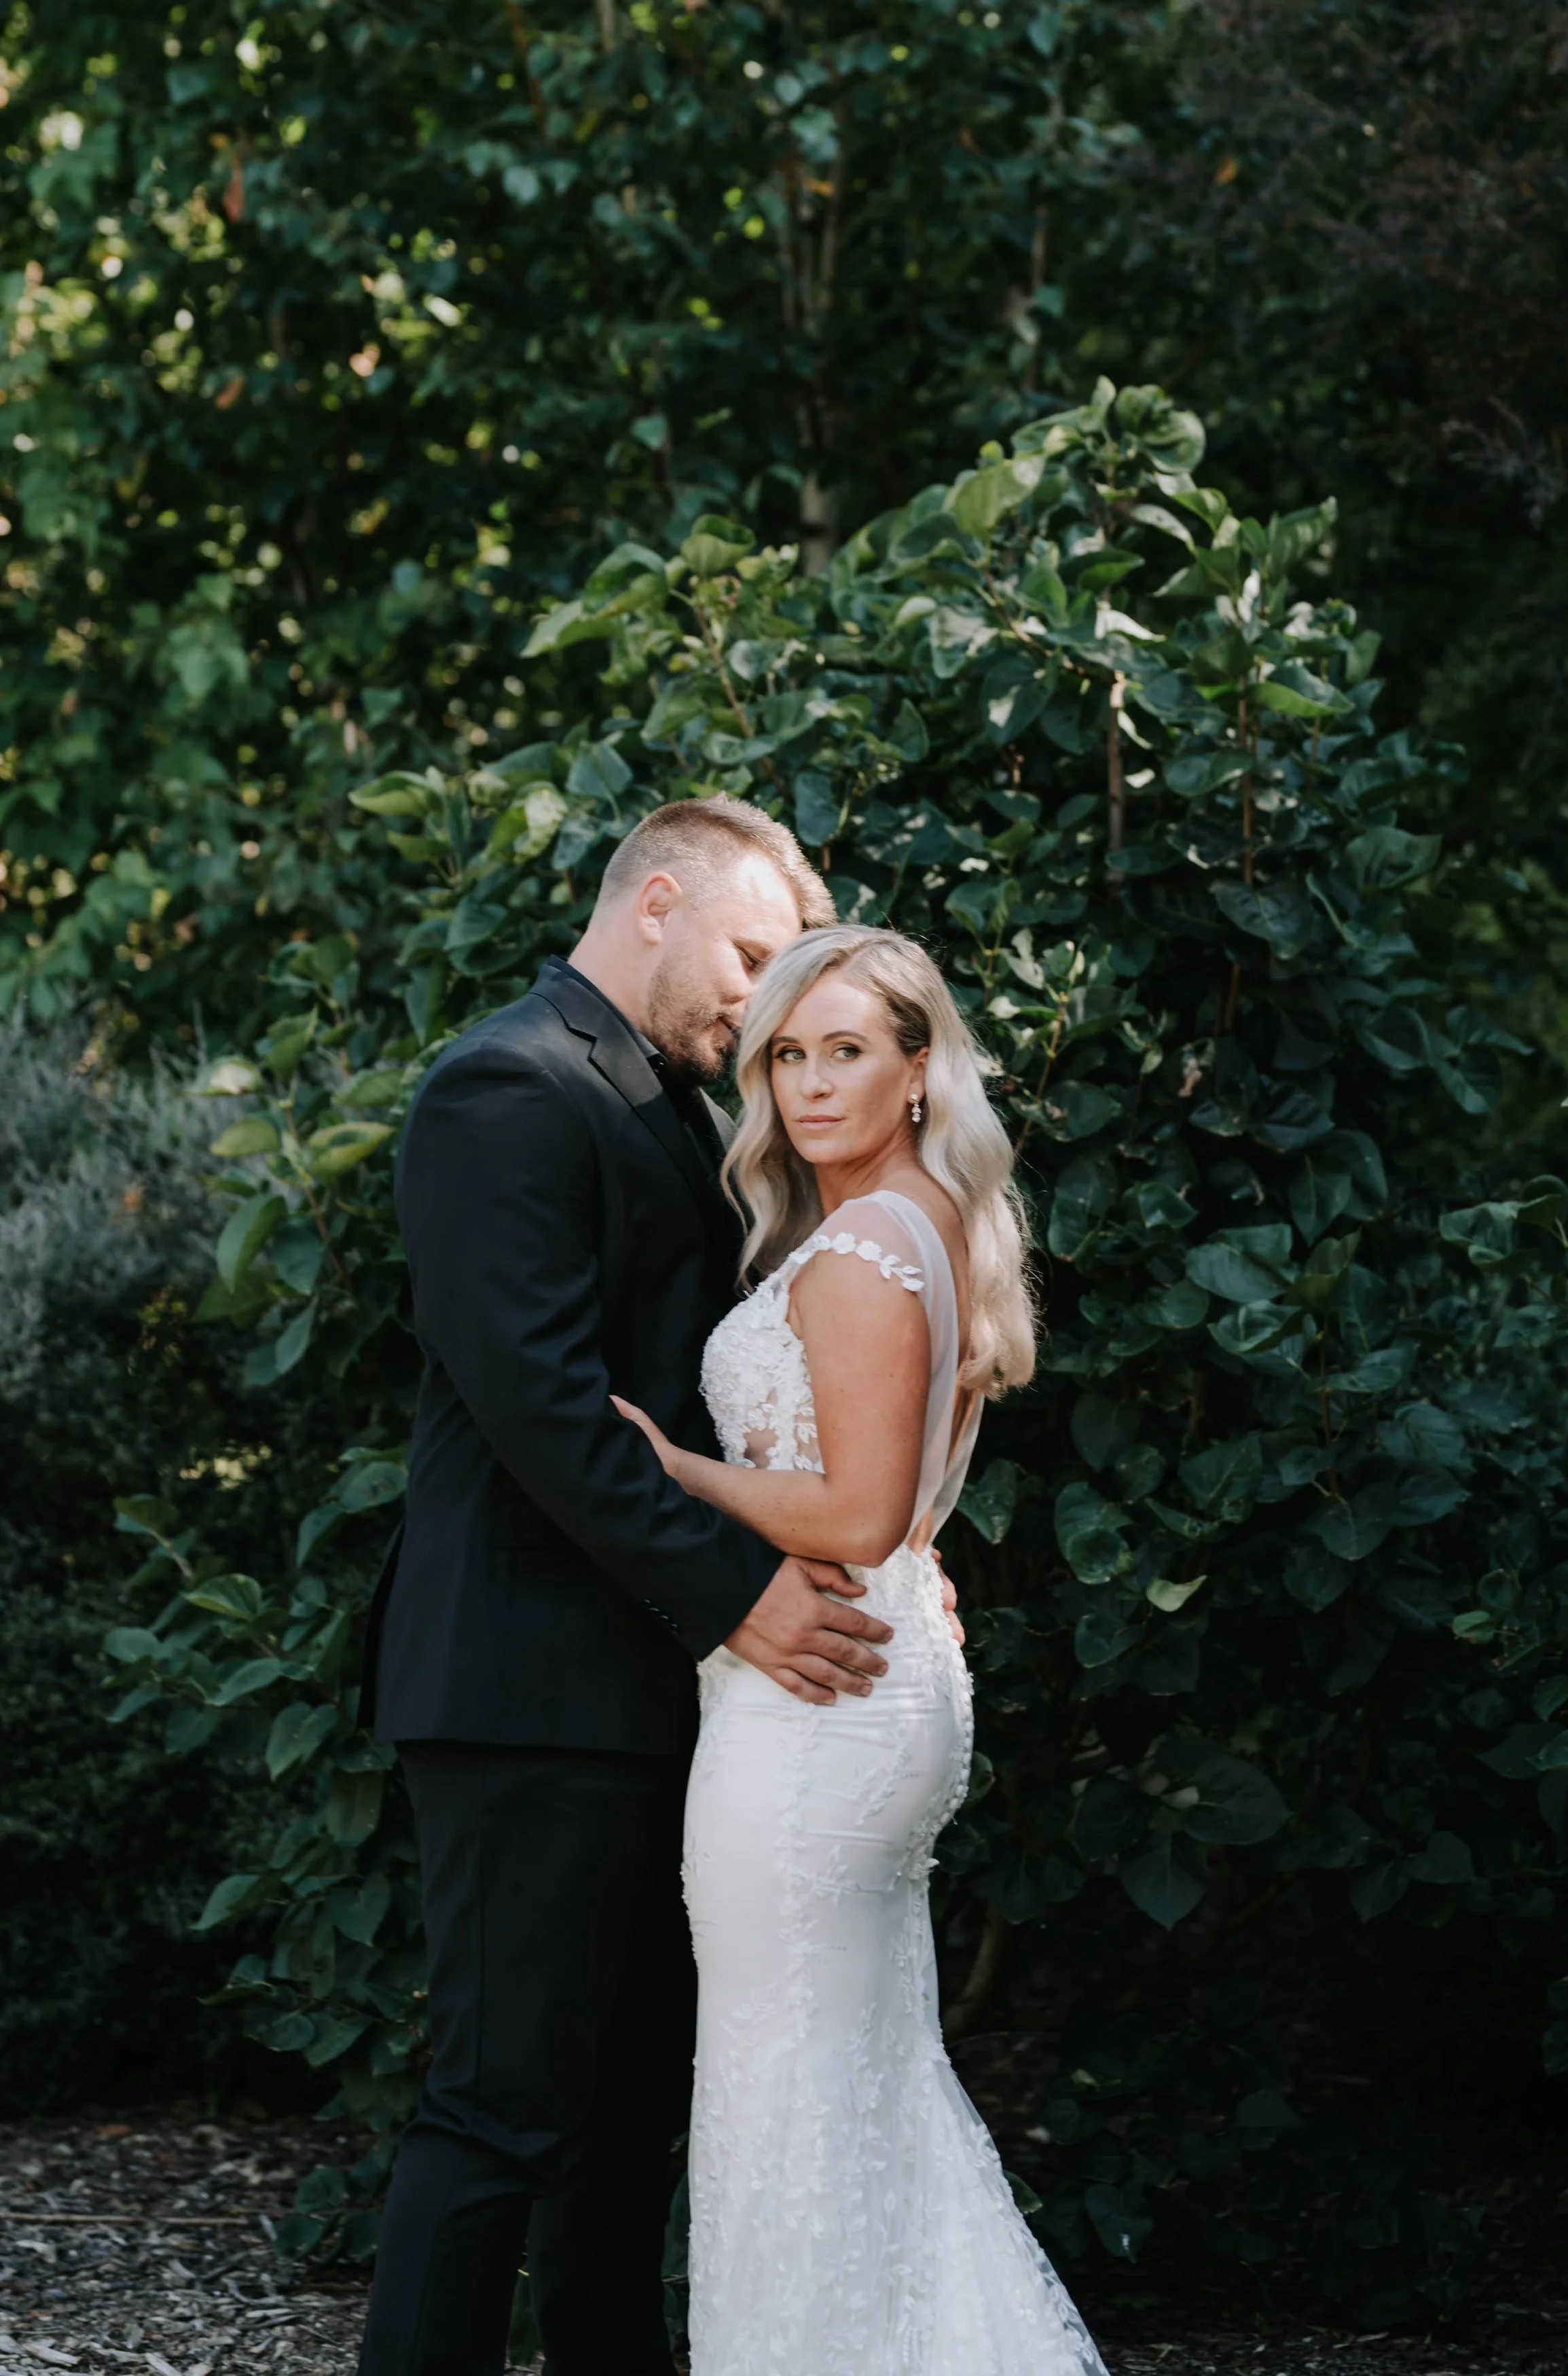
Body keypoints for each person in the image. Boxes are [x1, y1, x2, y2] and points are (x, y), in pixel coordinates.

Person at [355, 797, 908, 2376]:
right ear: (653, 901)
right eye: (748, 951)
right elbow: (545, 1411)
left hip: (677, 1700)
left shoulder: (687, 1110)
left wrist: (883, 1558)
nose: (763, 996)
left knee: (625, 2129)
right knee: (498, 2115)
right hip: (524, 1688)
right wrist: (740, 1597)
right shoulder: (502, 1088)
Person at [614, 926, 1110, 2376]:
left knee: (784, 2095)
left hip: (818, 1707)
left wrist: (668, 1466)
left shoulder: (860, 1248)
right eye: (786, 1054)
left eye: (848, 1051)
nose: (812, 1084)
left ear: (914, 1072)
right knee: (851, 2086)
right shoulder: (907, 1223)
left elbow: (858, 1509)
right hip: (867, 1684)